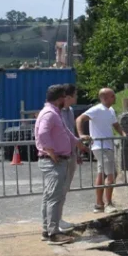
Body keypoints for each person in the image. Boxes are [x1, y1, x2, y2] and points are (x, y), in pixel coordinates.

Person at [35, 84, 85, 245]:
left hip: (55, 160)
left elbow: (66, 132)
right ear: (59, 99)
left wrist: (77, 143)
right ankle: (53, 233)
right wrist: (50, 151)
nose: (67, 99)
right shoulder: (50, 114)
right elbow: (43, 133)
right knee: (54, 198)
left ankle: (47, 229)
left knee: (50, 197)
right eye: (64, 97)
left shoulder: (54, 113)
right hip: (53, 161)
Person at [77, 88, 128, 213]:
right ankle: (108, 204)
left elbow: (115, 125)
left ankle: (99, 204)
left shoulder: (111, 110)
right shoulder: (96, 109)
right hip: (100, 146)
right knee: (111, 173)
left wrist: (124, 134)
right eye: (112, 95)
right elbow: (80, 119)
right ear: (105, 98)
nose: (115, 97)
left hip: (106, 145)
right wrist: (81, 135)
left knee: (102, 173)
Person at [58, 83, 81, 231]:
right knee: (58, 190)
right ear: (68, 97)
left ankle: (58, 218)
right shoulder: (56, 112)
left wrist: (77, 153)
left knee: (65, 189)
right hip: (61, 156)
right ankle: (55, 221)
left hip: (71, 155)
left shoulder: (70, 111)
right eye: (75, 94)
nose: (77, 97)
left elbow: (71, 132)